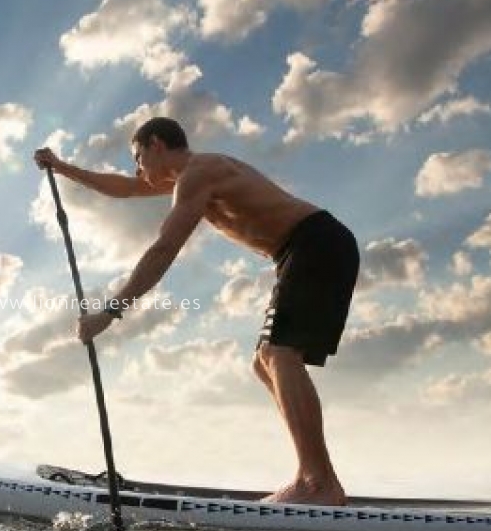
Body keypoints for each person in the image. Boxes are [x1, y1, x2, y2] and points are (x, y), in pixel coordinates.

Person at [33, 117, 359, 506]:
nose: (138, 169)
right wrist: (62, 167)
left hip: (315, 244)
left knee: (278, 354)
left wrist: (109, 313)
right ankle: (316, 479)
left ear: (156, 144)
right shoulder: (192, 178)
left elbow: (163, 250)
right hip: (301, 251)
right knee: (264, 362)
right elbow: (124, 188)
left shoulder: (200, 173)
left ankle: (318, 483)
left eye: (138, 157)